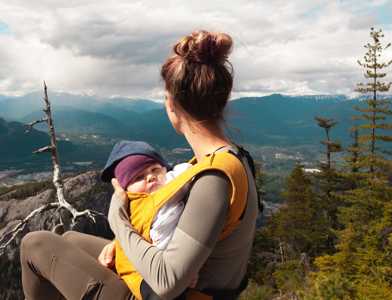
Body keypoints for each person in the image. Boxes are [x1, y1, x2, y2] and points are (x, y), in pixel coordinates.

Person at [19, 30, 258, 300]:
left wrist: (118, 220)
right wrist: (120, 242)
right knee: (72, 240)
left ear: (171, 105)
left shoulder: (214, 178)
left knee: (35, 243)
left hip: (165, 294)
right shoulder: (227, 159)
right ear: (223, 101)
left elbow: (167, 282)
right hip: (178, 283)